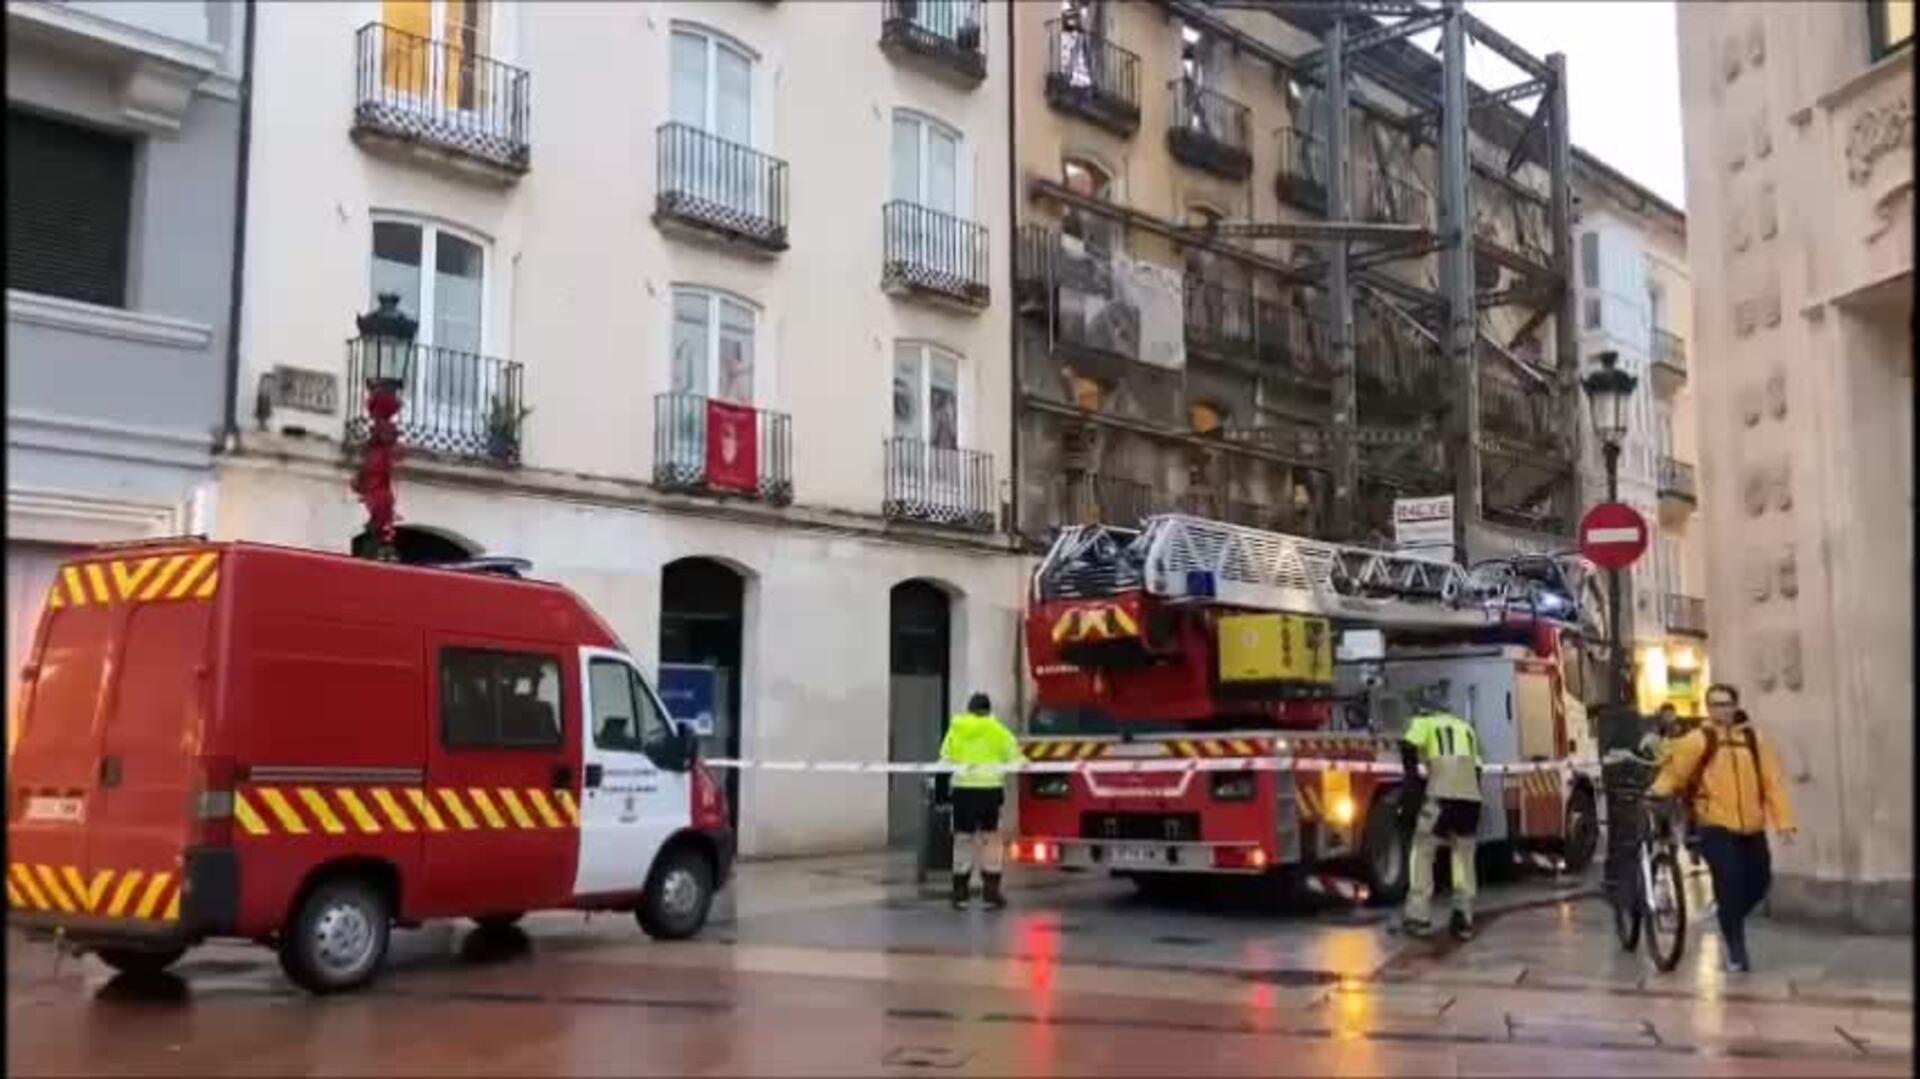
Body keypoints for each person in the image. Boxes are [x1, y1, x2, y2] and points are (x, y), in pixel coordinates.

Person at [1649, 683, 1795, 973]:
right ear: (1708, 708)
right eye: (1714, 704)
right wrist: (1657, 792)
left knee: (1760, 880)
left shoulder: (1754, 740)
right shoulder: (1697, 740)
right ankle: (1736, 951)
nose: (1720, 710)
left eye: (1725, 704)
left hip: (1752, 826)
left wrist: (1784, 822)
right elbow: (1675, 773)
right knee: (1728, 881)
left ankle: (1729, 916)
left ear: (1735, 705)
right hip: (1714, 825)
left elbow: (1772, 783)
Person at [1399, 682, 1484, 941]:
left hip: (1440, 797)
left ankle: (1418, 916)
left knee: (1423, 850)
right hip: (1471, 800)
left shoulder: (1425, 722)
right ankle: (1463, 917)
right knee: (1463, 857)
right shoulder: (1466, 728)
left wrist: (1412, 781)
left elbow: (1407, 745)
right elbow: (1478, 768)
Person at [938, 692, 1021, 910]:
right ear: (988, 710)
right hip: (990, 793)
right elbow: (1016, 760)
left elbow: (944, 761)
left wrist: (945, 791)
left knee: (963, 840)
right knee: (991, 841)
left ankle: (959, 893)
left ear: (970, 709)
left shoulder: (956, 730)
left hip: (963, 793)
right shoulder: (999, 732)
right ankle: (991, 893)